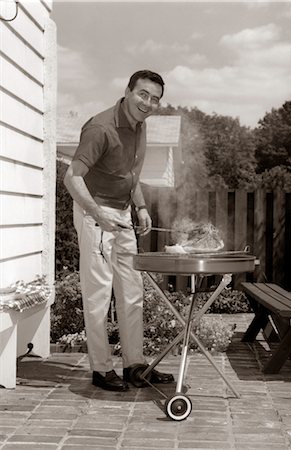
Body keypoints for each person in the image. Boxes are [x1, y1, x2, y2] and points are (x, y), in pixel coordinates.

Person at [64, 70, 174, 391]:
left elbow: (129, 173)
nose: (149, 103)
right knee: (99, 294)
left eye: (155, 99)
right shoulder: (101, 128)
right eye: (143, 95)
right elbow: (73, 177)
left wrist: (140, 206)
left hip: (123, 213)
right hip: (94, 212)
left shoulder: (140, 125)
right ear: (127, 91)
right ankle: (101, 369)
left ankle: (134, 365)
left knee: (132, 291)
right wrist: (99, 214)